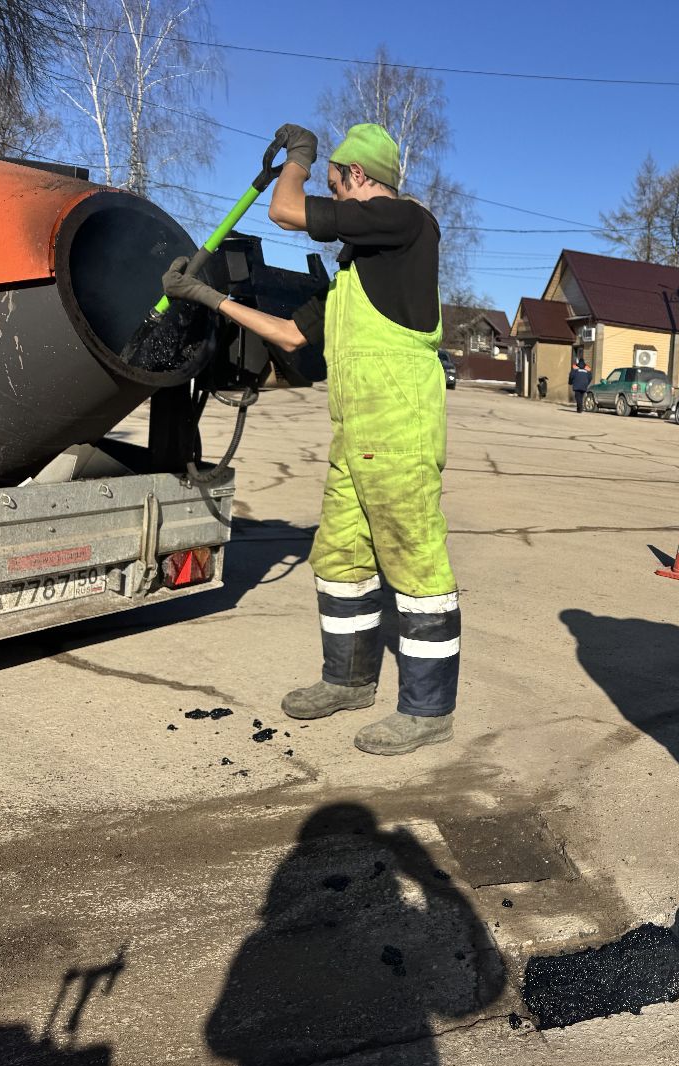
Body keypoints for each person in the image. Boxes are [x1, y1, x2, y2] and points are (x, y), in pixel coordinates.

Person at [160, 122, 460, 757]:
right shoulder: (354, 275)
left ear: (355, 176)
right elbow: (291, 337)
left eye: (333, 182)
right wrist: (208, 297)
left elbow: (285, 209)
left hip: (399, 432)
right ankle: (348, 680)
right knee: (339, 560)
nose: (333, 199)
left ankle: (429, 709)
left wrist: (298, 159)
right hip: (354, 438)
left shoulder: (406, 221)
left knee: (413, 560)